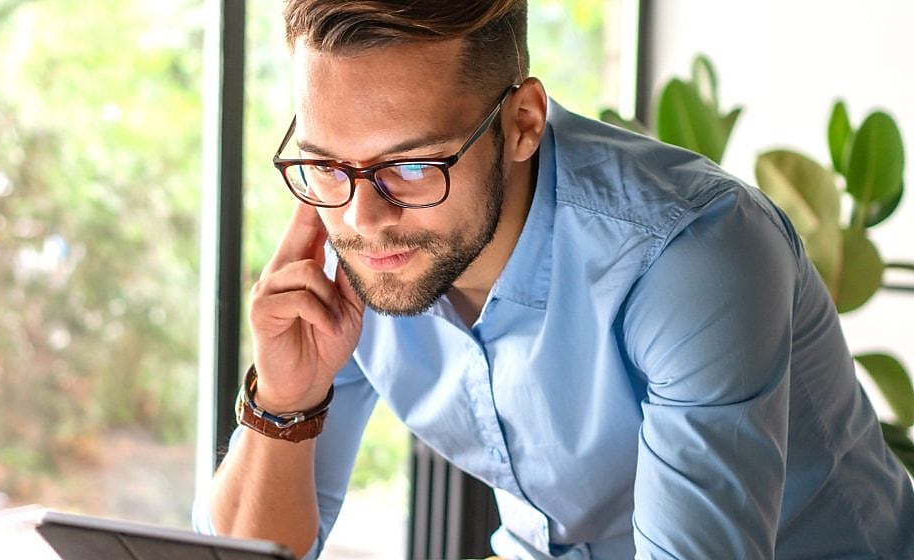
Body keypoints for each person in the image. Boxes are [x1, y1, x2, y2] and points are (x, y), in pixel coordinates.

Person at [194, 1, 914, 558]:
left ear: (522, 122)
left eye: (412, 166)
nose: (363, 216)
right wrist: (285, 402)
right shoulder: (349, 242)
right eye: (325, 163)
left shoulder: (692, 253)